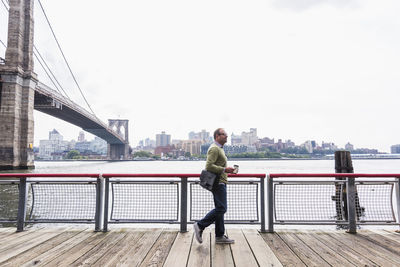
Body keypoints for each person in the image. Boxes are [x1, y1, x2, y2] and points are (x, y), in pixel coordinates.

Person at [193, 128, 235, 244]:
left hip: (221, 181)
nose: (227, 136)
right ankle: (200, 225)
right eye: (224, 134)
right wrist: (225, 169)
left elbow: (216, 165)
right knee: (222, 208)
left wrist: (227, 170)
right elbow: (209, 166)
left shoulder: (219, 148)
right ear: (217, 136)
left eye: (226, 134)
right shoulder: (214, 149)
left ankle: (219, 236)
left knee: (219, 209)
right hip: (218, 182)